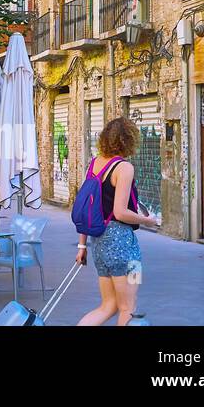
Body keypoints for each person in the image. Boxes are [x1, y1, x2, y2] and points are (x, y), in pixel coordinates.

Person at [76, 116, 157, 326]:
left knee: (108, 305)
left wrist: (81, 245)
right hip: (124, 248)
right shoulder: (124, 168)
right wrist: (148, 221)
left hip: (100, 245)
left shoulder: (94, 165)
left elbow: (87, 209)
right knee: (128, 307)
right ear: (128, 140)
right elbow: (120, 212)